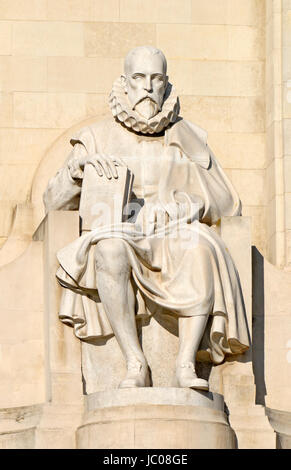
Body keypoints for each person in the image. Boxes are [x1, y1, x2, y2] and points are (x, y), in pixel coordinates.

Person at [44, 46, 250, 391]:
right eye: (139, 78)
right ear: (125, 83)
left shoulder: (187, 135)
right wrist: (77, 170)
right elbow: (52, 201)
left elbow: (228, 204)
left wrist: (187, 205)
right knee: (109, 250)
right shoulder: (95, 137)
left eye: (156, 79)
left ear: (166, 85)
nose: (148, 87)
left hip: (172, 233)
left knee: (201, 247)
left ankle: (185, 362)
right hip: (118, 229)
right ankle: (134, 361)